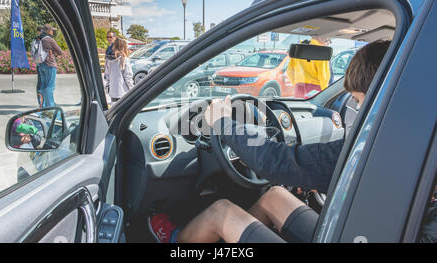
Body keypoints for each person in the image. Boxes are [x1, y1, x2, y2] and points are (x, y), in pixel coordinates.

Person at [149, 40, 398, 243]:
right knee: (274, 194)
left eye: (357, 99)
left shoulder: (378, 150)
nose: (357, 108)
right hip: (361, 230)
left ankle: (173, 241)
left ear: (381, 94)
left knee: (221, 212)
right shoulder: (401, 145)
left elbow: (273, 161)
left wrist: (222, 123)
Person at [38, 24, 63, 108]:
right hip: (50, 65)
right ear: (48, 31)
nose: (53, 32)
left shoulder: (39, 38)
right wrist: (54, 52)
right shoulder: (49, 39)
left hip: (41, 64)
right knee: (50, 86)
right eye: (52, 30)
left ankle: (43, 104)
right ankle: (50, 106)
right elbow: (60, 51)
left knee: (43, 85)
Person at [104, 38, 134, 103]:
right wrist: (132, 89)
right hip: (123, 91)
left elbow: (107, 75)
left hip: (113, 92)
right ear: (124, 46)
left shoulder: (108, 59)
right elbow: (128, 77)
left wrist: (108, 87)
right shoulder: (124, 59)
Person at [35, 25, 44, 107]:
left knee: (43, 84)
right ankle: (40, 102)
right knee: (41, 84)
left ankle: (42, 102)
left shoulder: (44, 39)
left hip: (44, 64)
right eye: (41, 31)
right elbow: (34, 51)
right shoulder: (36, 40)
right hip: (40, 64)